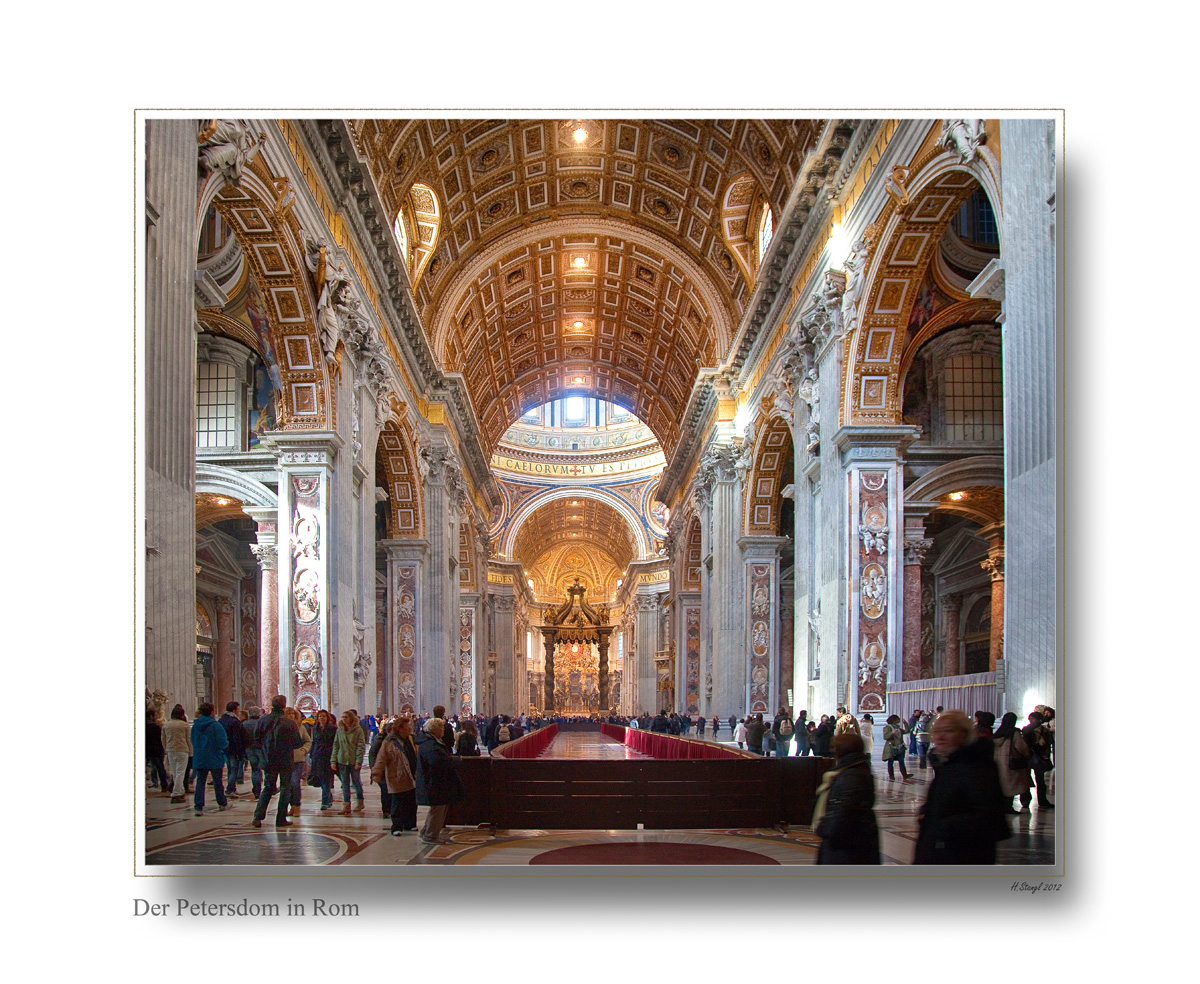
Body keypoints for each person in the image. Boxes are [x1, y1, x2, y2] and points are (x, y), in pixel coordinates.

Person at [914, 710, 1010, 864]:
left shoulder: (978, 767)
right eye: (937, 732)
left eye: (949, 731)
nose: (940, 737)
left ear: (964, 734)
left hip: (964, 855)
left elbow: (989, 817)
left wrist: (943, 826)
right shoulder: (946, 765)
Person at [812, 733, 880, 864]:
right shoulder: (853, 770)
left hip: (847, 846)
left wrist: (824, 828)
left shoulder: (851, 776)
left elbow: (844, 812)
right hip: (853, 843)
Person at [251, 695, 303, 828]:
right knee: (285, 788)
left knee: (268, 787)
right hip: (285, 759)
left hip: (269, 759)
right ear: (284, 706)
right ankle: (280, 819)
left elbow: (256, 739)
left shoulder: (263, 720)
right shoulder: (289, 723)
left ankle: (257, 817)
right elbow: (297, 743)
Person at [416, 718, 465, 844]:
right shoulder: (430, 744)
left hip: (437, 781)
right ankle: (431, 836)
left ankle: (426, 831)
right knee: (438, 809)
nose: (443, 730)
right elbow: (438, 761)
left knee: (436, 809)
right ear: (435, 730)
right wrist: (456, 760)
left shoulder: (430, 741)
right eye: (441, 728)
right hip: (435, 781)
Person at [371, 717, 418, 835]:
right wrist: (376, 773)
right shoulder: (389, 742)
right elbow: (381, 758)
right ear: (400, 729)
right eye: (407, 727)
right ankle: (396, 826)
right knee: (398, 802)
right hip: (397, 774)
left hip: (412, 774)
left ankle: (410, 824)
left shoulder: (412, 739)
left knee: (411, 801)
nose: (410, 729)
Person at [189, 702, 230, 815]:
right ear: (212, 712)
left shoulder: (195, 725)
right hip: (214, 756)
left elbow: (192, 740)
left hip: (200, 756)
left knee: (200, 782)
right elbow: (222, 742)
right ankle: (222, 803)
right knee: (217, 781)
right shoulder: (216, 725)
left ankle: (198, 807)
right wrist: (225, 745)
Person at [993, 712, 1033, 813]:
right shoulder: (1014, 733)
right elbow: (1021, 747)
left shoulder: (998, 733)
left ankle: (1003, 806)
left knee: (1003, 785)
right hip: (1011, 763)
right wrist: (1027, 755)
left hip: (999, 764)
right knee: (1012, 786)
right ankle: (1008, 807)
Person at [334, 709, 367, 815]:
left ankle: (360, 801)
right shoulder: (339, 730)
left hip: (353, 760)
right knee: (344, 783)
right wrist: (333, 760)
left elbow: (360, 746)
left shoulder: (358, 730)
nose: (344, 719)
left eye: (346, 717)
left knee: (356, 781)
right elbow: (336, 745)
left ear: (351, 718)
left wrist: (359, 761)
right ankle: (346, 805)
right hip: (342, 759)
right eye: (342, 717)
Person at [1022, 710, 1055, 809]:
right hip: (1028, 756)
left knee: (1040, 780)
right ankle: (1025, 801)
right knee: (1026, 779)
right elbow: (1026, 732)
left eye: (1033, 719)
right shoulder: (1028, 729)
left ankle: (1042, 800)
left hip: (1039, 756)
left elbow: (1047, 744)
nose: (1031, 721)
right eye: (1030, 719)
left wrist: (1046, 755)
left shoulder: (1044, 730)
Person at [284, 706, 310, 818]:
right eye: (288, 714)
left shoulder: (300, 727)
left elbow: (308, 741)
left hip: (298, 759)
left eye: (292, 714)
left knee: (295, 782)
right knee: (287, 785)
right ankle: (291, 806)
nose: (291, 716)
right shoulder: (282, 727)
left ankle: (297, 805)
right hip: (285, 759)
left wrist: (304, 749)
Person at [309, 709, 337, 811]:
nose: (322, 718)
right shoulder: (315, 728)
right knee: (322, 779)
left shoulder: (332, 729)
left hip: (327, 756)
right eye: (320, 716)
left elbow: (335, 743)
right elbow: (314, 742)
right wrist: (312, 754)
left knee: (326, 779)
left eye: (324, 716)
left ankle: (325, 801)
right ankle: (328, 798)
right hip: (317, 756)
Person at [218, 701, 248, 798]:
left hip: (224, 748)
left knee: (230, 768)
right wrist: (241, 752)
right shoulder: (235, 722)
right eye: (238, 709)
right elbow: (237, 738)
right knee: (234, 769)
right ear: (234, 710)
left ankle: (232, 788)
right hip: (233, 748)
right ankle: (230, 789)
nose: (239, 711)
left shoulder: (221, 720)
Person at [163, 704, 191, 803]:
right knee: (180, 773)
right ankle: (176, 793)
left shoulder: (166, 725)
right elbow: (188, 740)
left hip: (170, 750)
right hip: (182, 749)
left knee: (175, 772)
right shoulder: (184, 725)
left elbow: (163, 739)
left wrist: (166, 749)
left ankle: (181, 791)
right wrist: (191, 752)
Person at [242, 705, 266, 798]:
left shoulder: (244, 724)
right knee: (263, 767)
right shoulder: (262, 723)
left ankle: (256, 789)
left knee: (255, 769)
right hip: (261, 748)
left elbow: (242, 738)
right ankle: (262, 786)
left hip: (249, 748)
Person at [882, 714, 914, 781]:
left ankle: (905, 775)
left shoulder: (898, 728)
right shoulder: (888, 727)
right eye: (897, 719)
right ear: (894, 720)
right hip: (891, 747)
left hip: (900, 747)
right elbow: (885, 737)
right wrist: (891, 733)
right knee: (890, 762)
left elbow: (906, 731)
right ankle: (891, 776)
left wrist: (905, 724)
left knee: (901, 761)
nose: (898, 721)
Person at [146, 708, 170, 793]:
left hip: (147, 751)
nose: (156, 717)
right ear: (151, 716)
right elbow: (160, 739)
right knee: (160, 769)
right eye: (155, 715)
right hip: (155, 750)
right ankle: (164, 785)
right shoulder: (155, 727)